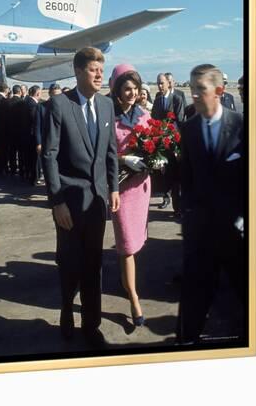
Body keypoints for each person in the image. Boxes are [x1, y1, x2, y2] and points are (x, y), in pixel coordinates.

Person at [42, 47, 120, 348]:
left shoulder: (106, 105)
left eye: (102, 68)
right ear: (77, 72)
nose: (100, 74)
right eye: (93, 69)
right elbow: (49, 155)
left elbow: (111, 151)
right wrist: (57, 201)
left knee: (93, 264)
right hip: (69, 203)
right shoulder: (59, 105)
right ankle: (66, 310)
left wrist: (113, 187)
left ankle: (92, 323)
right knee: (70, 263)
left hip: (98, 201)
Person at [177, 64, 245, 344]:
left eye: (200, 90)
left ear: (218, 91)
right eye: (191, 89)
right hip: (201, 232)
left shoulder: (242, 126)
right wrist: (189, 218)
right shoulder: (189, 130)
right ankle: (185, 345)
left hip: (236, 234)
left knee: (245, 293)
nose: (193, 95)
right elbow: (187, 178)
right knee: (194, 296)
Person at [110, 64, 151, 326]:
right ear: (116, 90)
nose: (132, 93)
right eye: (127, 89)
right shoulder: (108, 117)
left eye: (135, 89)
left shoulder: (144, 115)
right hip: (122, 189)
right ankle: (134, 298)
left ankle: (128, 282)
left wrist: (155, 159)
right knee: (126, 245)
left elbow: (155, 144)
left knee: (136, 242)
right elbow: (103, 152)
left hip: (142, 187)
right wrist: (124, 159)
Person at [151, 73, 185, 215]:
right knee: (164, 174)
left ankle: (178, 207)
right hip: (161, 143)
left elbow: (180, 120)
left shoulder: (176, 99)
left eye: (162, 83)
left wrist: (170, 134)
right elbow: (153, 118)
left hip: (174, 143)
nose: (160, 86)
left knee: (176, 175)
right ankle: (166, 198)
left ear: (168, 83)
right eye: (158, 83)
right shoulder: (157, 100)